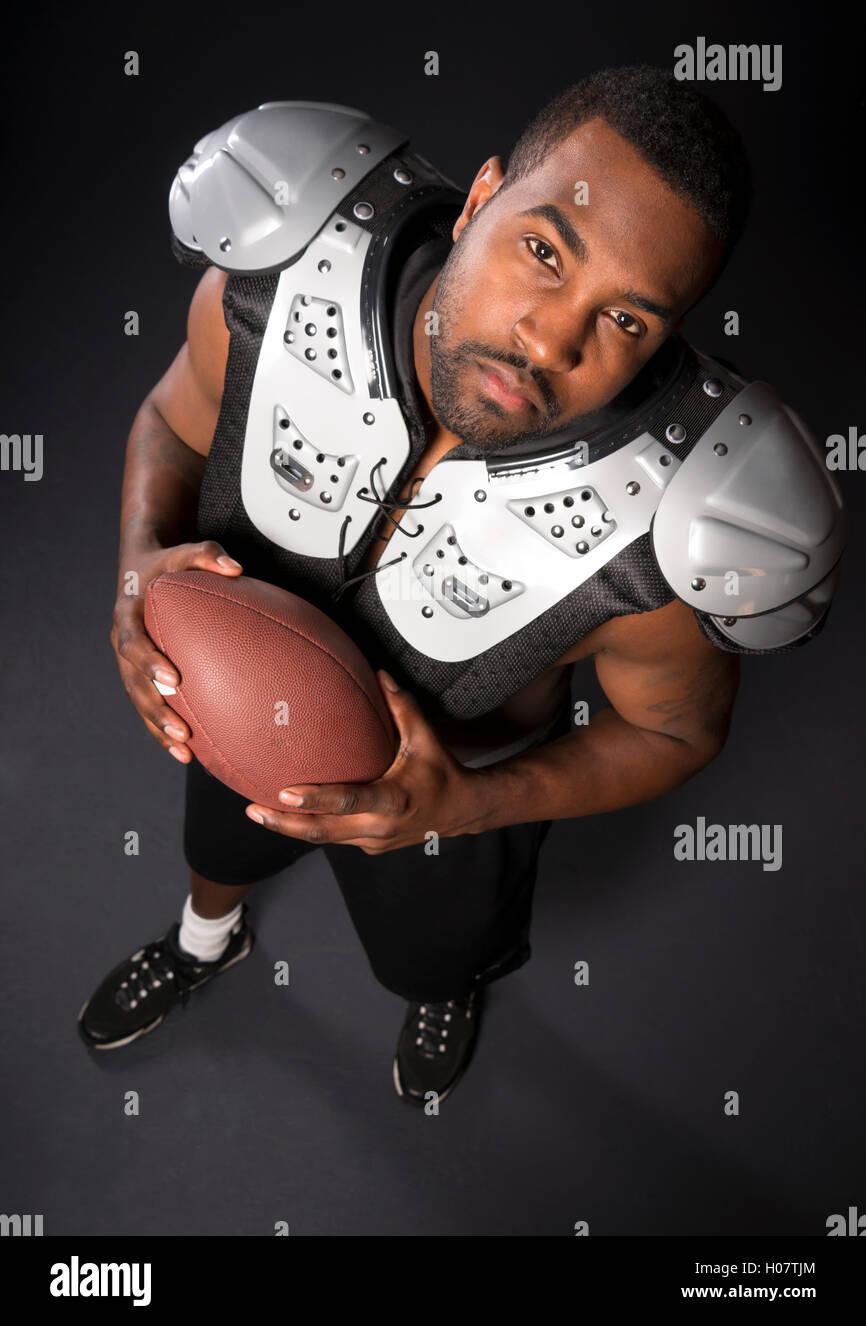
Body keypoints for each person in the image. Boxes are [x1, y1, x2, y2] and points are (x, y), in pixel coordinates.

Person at [78, 65, 845, 1106]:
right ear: (481, 196)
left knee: (430, 954)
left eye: (624, 321)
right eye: (542, 252)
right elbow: (172, 419)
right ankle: (206, 937)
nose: (548, 339)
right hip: (238, 699)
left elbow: (675, 732)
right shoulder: (284, 275)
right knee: (216, 843)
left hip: (448, 797)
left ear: (669, 342)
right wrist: (136, 570)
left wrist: (471, 801)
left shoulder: (665, 528)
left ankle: (442, 989)